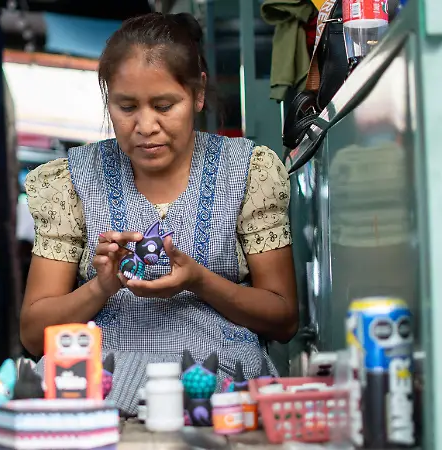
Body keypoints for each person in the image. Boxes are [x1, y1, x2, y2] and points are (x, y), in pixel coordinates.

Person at [20, 12, 298, 414]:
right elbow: (33, 335)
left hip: (217, 392)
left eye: (164, 105)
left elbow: (284, 319)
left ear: (198, 94)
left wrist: (200, 281)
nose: (145, 125)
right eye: (126, 106)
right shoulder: (71, 182)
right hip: (98, 394)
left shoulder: (248, 172)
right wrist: (101, 287)